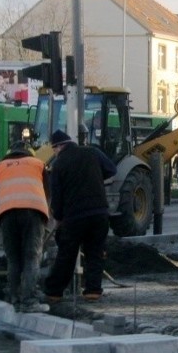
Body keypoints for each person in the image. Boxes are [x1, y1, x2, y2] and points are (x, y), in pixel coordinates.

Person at [44, 129, 117, 303]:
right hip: (99, 213)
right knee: (95, 252)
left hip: (74, 216)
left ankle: (54, 292)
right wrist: (97, 176)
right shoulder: (92, 152)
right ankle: (93, 291)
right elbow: (111, 169)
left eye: (54, 149)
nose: (54, 153)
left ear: (59, 146)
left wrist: (59, 216)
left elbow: (57, 196)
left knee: (67, 254)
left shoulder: (59, 164)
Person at [0, 141, 50, 312]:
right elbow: (47, 192)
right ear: (29, 152)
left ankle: (16, 300)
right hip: (33, 211)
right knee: (32, 256)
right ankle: (29, 302)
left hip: (6, 214)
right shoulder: (38, 164)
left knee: (13, 258)